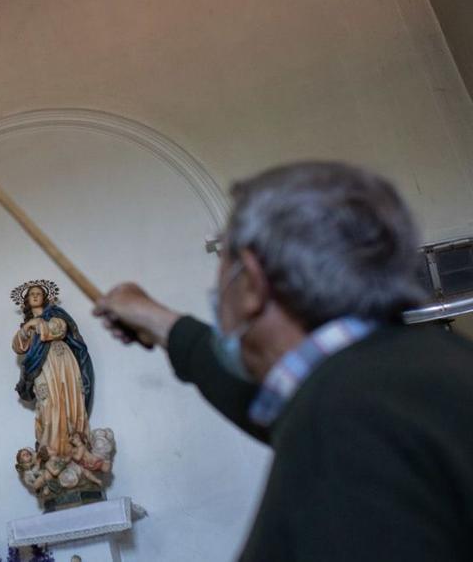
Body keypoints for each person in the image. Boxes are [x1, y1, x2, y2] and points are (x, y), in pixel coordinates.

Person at [93, 161, 473, 561]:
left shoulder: (346, 416)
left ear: (253, 284)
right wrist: (161, 323)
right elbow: (280, 406)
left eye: (222, 278)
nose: (218, 295)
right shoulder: (412, 372)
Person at [12, 280, 94, 457]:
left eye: (38, 293)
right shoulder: (27, 326)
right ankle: (51, 450)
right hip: (42, 366)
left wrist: (39, 324)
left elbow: (60, 329)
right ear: (26, 300)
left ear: (45, 298)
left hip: (62, 360)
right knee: (49, 403)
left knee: (69, 399)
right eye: (31, 294)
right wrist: (28, 325)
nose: (34, 295)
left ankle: (74, 448)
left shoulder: (55, 314)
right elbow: (19, 346)